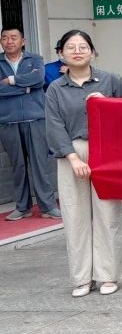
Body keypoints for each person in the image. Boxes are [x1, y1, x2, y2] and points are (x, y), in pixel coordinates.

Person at [44, 30, 122, 297]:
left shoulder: (111, 80)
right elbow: (54, 125)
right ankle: (82, 278)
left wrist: (107, 103)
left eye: (83, 46)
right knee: (75, 216)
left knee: (108, 214)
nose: (77, 51)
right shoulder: (56, 88)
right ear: (61, 54)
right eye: (71, 47)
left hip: (107, 152)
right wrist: (72, 157)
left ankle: (108, 275)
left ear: (92, 52)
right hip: (71, 153)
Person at [0, 26, 59, 220]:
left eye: (13, 37)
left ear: (23, 41)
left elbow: (38, 80)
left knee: (39, 164)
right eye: (5, 38)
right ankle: (22, 207)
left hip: (36, 119)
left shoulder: (35, 59)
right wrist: (25, 88)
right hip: (8, 121)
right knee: (18, 166)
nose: (9, 41)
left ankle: (47, 207)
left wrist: (11, 80)